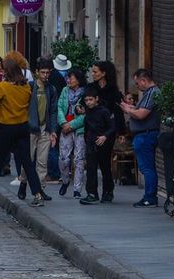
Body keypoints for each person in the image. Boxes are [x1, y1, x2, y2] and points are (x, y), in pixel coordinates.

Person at [0, 58, 45, 213]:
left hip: (6, 129)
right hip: (22, 128)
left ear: (8, 72)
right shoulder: (26, 87)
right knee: (28, 163)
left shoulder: (3, 87)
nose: (1, 72)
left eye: (3, 70)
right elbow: (17, 104)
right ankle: (38, 195)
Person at [121, 68, 162, 207]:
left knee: (147, 168)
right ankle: (149, 196)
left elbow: (141, 114)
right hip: (144, 134)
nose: (137, 86)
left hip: (146, 134)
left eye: (137, 83)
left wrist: (128, 110)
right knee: (147, 167)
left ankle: (150, 197)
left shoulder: (152, 93)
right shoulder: (150, 93)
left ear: (144, 80)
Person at [24, 58, 61, 200]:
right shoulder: (29, 87)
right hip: (30, 129)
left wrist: (52, 130)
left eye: (48, 73)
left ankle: (39, 190)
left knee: (42, 162)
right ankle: (23, 182)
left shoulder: (51, 89)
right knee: (28, 159)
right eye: (43, 72)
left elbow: (53, 111)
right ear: (37, 72)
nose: (46, 75)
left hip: (45, 129)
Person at [79, 86, 118, 205]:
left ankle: (108, 192)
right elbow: (87, 127)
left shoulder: (104, 111)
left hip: (103, 144)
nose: (88, 102)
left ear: (96, 99)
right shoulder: (87, 112)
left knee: (105, 168)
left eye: (90, 100)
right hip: (91, 143)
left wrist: (104, 136)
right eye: (86, 100)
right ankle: (92, 194)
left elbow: (112, 126)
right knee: (90, 169)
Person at [57, 67, 86, 199]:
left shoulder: (85, 94)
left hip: (79, 129)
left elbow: (86, 114)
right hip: (65, 127)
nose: (68, 80)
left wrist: (72, 125)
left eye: (71, 78)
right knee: (64, 158)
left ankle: (77, 189)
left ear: (78, 80)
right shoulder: (64, 90)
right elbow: (59, 107)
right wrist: (63, 123)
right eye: (68, 78)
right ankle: (65, 180)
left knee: (79, 159)